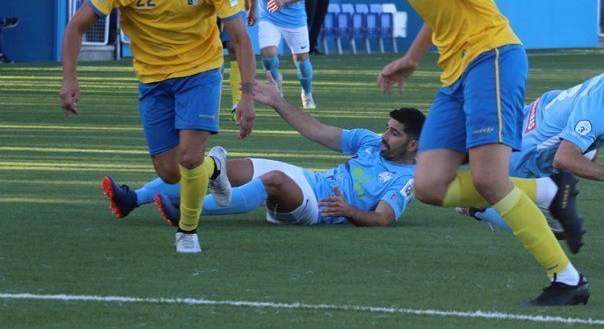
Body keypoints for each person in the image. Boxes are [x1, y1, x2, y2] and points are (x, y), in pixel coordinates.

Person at [293, 0, 588, 306]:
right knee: (430, 185)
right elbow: (439, 4)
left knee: (490, 180)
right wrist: (412, 57)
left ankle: (566, 279)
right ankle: (550, 190)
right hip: (456, 72)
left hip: (491, 56)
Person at [61, 0, 257, 253]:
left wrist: (246, 95)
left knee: (188, 158)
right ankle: (216, 167)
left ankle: (187, 230)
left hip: (200, 71)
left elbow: (241, 38)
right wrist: (70, 78)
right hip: (151, 78)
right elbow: (76, 25)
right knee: (169, 171)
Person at [462, 38, 604, 235]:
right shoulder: (601, 112)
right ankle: (478, 205)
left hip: (526, 120)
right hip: (520, 158)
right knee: (556, 228)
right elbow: (564, 158)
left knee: (588, 150)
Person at [147, 82, 424, 228]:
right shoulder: (370, 141)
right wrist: (277, 101)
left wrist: (348, 211)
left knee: (274, 180)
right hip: (310, 181)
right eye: (388, 129)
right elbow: (315, 129)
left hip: (316, 209)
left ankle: (186, 210)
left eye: (394, 134)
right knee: (224, 168)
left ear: (412, 146)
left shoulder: (405, 180)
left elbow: (383, 219)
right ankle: (133, 198)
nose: (384, 137)